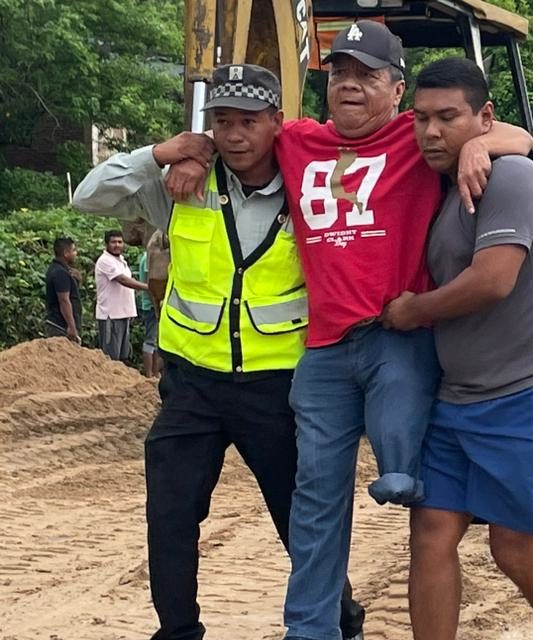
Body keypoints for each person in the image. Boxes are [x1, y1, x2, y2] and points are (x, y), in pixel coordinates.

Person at [162, 22, 533, 640]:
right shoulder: (296, 139)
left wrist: (483, 144)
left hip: (396, 330)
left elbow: (509, 132)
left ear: (395, 89)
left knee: (405, 449)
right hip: (325, 346)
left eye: (368, 75)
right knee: (314, 499)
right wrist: (197, 149)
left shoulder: (417, 138)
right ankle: (310, 629)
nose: (351, 86)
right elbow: (235, 132)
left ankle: (400, 468)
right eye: (340, 74)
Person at [72, 63, 366, 640]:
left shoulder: (313, 184)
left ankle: (339, 619)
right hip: (191, 387)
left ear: (277, 123)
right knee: (171, 515)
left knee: (299, 521)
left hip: (277, 388)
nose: (234, 135)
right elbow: (89, 195)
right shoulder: (184, 183)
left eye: (249, 122)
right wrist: (163, 151)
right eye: (222, 122)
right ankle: (178, 631)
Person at [378, 57, 533, 640]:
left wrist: (414, 310)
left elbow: (493, 279)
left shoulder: (511, 178)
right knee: (431, 532)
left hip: (524, 395)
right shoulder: (443, 180)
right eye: (420, 118)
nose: (431, 132)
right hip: (457, 401)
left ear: (484, 116)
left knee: (516, 552)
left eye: (449, 118)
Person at [95, 229, 147, 361]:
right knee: (111, 358)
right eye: (113, 242)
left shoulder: (121, 261)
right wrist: (149, 288)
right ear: (106, 244)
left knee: (123, 356)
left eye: (120, 242)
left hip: (123, 315)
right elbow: (123, 280)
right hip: (111, 316)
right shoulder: (105, 261)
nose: (117, 245)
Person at [44, 237, 82, 342]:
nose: (76, 253)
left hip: (61, 325)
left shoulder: (60, 270)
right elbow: (64, 300)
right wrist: (71, 326)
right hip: (60, 326)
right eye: (73, 250)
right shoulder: (60, 273)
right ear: (66, 253)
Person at [136, 244, 162, 377]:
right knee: (150, 340)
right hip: (151, 305)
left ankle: (156, 373)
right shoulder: (148, 258)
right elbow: (151, 283)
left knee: (157, 341)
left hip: (155, 304)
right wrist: (156, 305)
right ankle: (149, 373)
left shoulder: (151, 256)